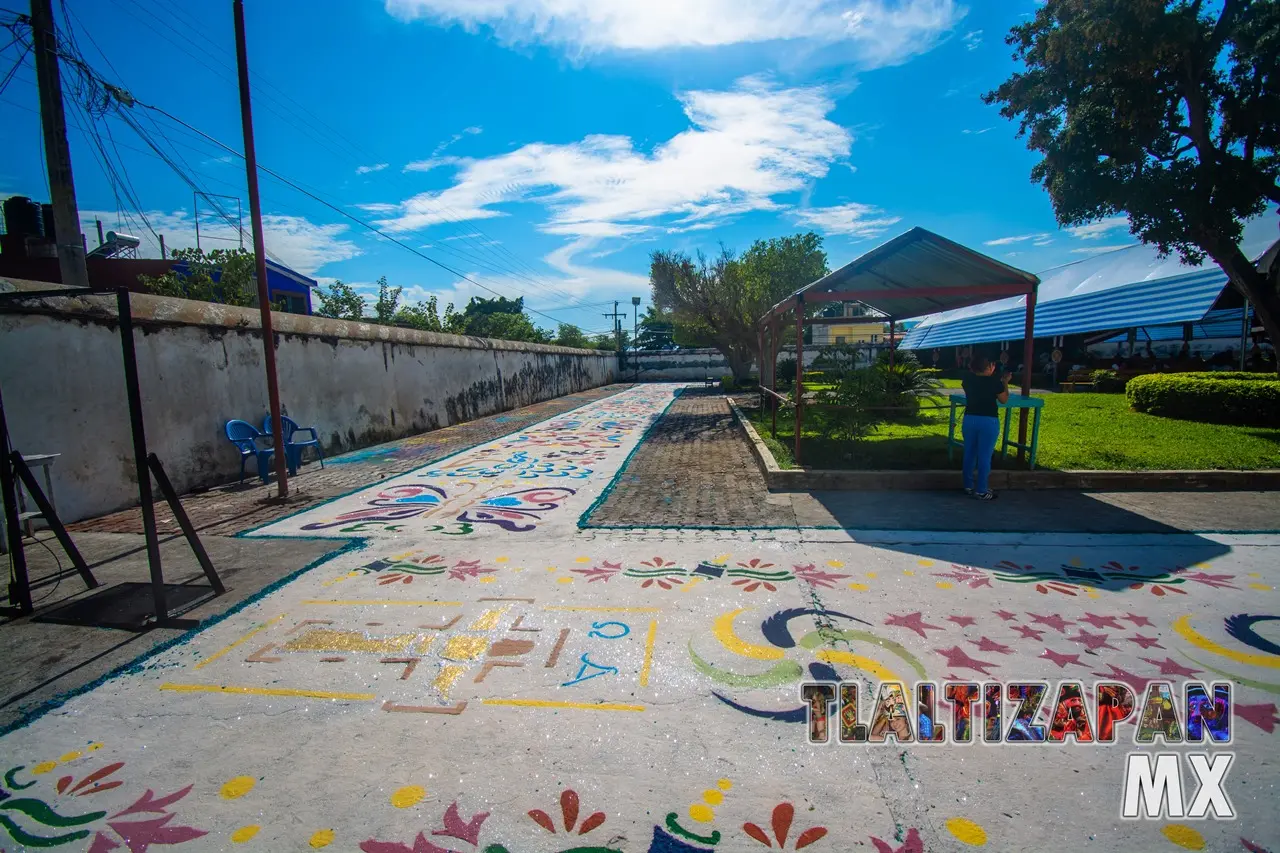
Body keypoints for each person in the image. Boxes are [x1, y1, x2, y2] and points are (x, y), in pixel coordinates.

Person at [961, 355, 1010, 500]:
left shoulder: (967, 380)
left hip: (970, 419)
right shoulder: (994, 382)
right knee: (984, 456)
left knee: (969, 453)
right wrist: (1005, 382)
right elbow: (1004, 400)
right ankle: (981, 489)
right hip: (988, 420)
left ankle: (968, 485)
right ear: (988, 367)